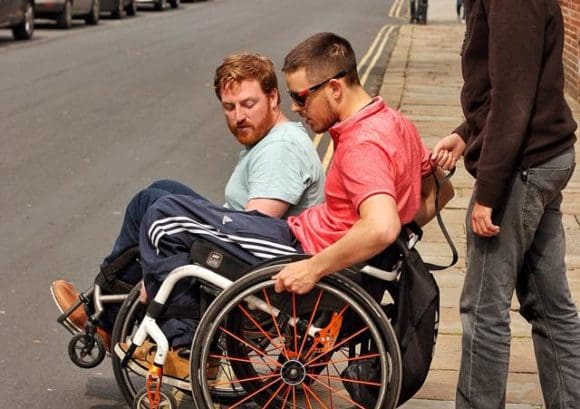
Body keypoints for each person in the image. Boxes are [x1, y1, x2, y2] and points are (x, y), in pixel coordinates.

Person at [128, 32, 453, 382]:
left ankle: (186, 346)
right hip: (303, 237)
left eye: (301, 97)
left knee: (163, 216)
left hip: (300, 250)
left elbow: (381, 226)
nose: (296, 108)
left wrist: (314, 268)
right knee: (170, 203)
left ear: (334, 88)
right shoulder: (395, 122)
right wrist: (397, 234)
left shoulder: (364, 143)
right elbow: (439, 195)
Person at [50, 52, 325, 349]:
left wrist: (160, 271)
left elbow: (251, 234)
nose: (238, 116)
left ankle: (106, 318)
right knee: (161, 192)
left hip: (264, 273)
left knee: (153, 205)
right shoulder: (270, 139)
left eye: (248, 104)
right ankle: (104, 315)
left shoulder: (280, 149)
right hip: (258, 248)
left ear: (272, 97)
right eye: (229, 107)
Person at [431, 2, 580, 407]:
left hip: (523, 166)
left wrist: (489, 195)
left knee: (482, 309)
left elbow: (514, 99)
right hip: (541, 157)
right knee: (551, 307)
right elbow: (506, 86)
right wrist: (466, 133)